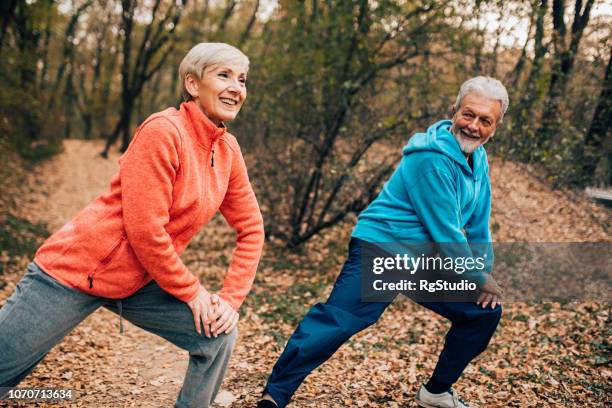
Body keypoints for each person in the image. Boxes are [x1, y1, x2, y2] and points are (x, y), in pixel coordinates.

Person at [0, 42, 265, 408]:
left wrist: (230, 299)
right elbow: (146, 231)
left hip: (138, 281)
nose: (237, 87)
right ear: (192, 83)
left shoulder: (228, 150)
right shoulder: (163, 131)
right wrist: (193, 292)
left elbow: (251, 228)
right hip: (75, 271)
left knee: (217, 335)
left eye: (242, 79)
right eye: (224, 75)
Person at [257, 76, 508, 408]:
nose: (473, 126)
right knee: (339, 321)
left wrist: (482, 273)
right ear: (453, 111)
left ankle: (436, 392)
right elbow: (446, 232)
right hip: (383, 249)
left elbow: (478, 224)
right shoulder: (430, 158)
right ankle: (275, 393)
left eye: (484, 120)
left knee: (482, 312)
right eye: (468, 114)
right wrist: (478, 277)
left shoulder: (477, 160)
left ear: (495, 127)